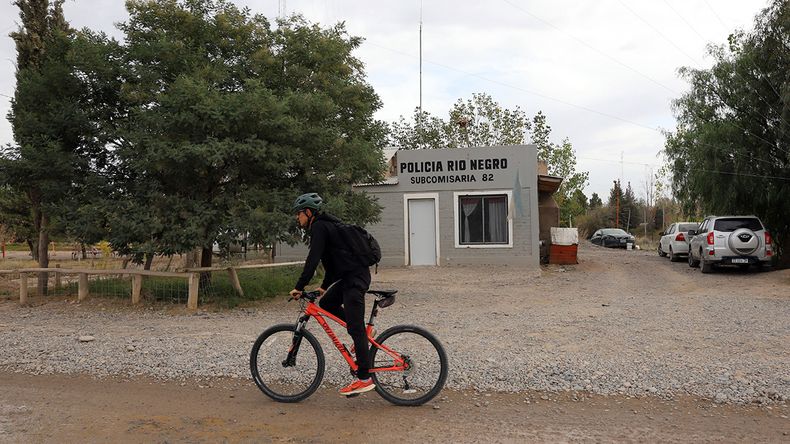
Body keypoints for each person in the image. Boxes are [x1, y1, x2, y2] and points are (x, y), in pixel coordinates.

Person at [289, 192, 375, 397]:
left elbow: (313, 260)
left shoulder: (319, 226)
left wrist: (299, 286)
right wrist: (323, 287)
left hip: (355, 280)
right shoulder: (327, 226)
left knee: (355, 329)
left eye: (299, 213)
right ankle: (361, 335)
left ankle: (364, 378)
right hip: (350, 277)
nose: (297, 217)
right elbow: (333, 263)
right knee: (327, 303)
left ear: (309, 212)